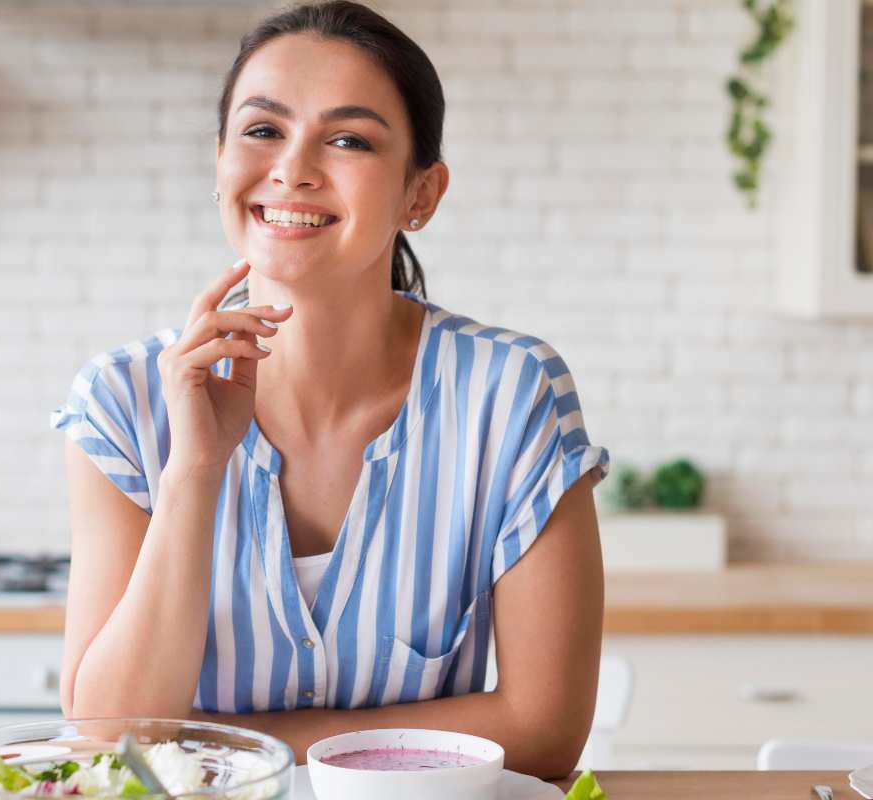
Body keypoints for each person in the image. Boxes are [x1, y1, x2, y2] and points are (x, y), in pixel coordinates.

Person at [50, 0, 610, 779]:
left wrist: (225, 745)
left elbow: (544, 729)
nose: (292, 168)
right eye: (262, 130)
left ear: (422, 194)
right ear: (220, 162)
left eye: (348, 139)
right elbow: (108, 738)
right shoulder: (123, 403)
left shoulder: (511, 394)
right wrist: (195, 474)